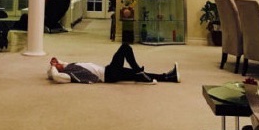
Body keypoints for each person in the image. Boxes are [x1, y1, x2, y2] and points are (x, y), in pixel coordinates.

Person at [47, 43, 180, 84]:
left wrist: (56, 61)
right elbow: (56, 77)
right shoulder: (67, 75)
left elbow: (62, 63)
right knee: (125, 48)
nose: (57, 63)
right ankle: (139, 71)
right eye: (56, 65)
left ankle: (169, 77)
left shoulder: (69, 66)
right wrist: (53, 67)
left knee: (135, 75)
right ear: (57, 69)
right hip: (109, 74)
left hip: (110, 72)